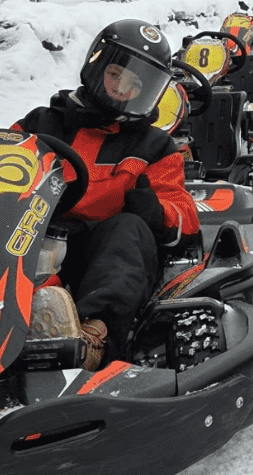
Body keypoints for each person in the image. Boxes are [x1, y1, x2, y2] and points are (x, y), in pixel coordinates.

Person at [14, 19, 200, 368]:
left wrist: (155, 211)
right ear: (96, 65)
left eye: (135, 84)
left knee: (129, 228)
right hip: (26, 238)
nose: (121, 89)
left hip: (97, 254)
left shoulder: (154, 146)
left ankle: (89, 336)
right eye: (116, 74)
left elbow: (185, 215)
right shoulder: (40, 124)